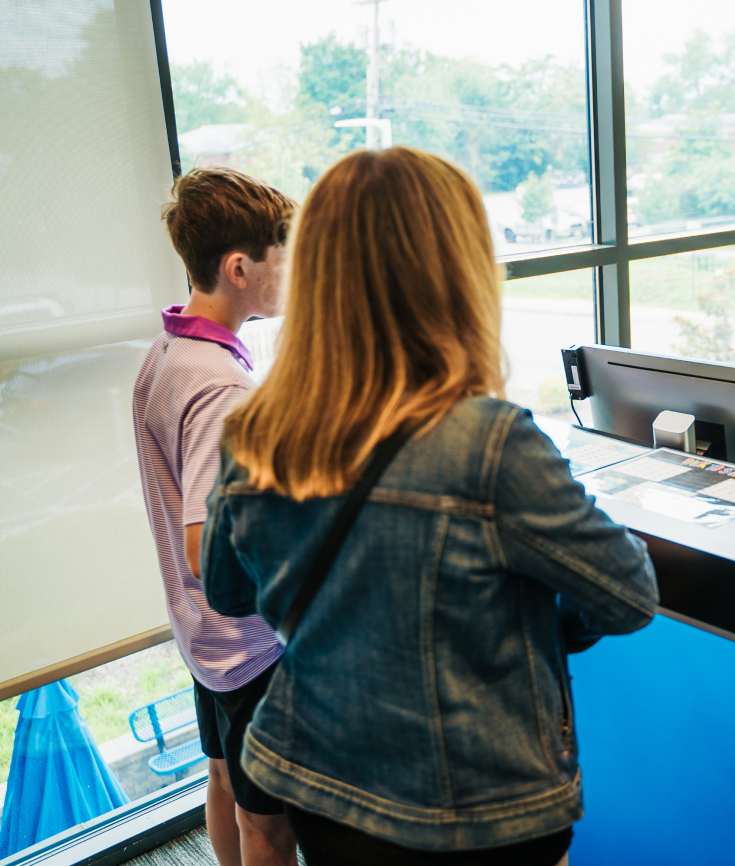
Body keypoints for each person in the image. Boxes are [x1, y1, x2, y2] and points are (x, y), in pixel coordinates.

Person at [200, 147, 659, 866]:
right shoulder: (491, 443)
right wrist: (537, 615)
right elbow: (628, 594)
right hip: (477, 810)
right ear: (459, 274)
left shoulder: (256, 434)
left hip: (322, 786)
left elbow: (229, 592)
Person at [132, 168, 297, 866]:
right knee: (270, 823)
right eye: (281, 257)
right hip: (248, 643)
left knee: (224, 779)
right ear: (239, 267)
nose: (291, 273)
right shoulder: (217, 386)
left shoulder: (168, 351)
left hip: (203, 637)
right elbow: (208, 546)